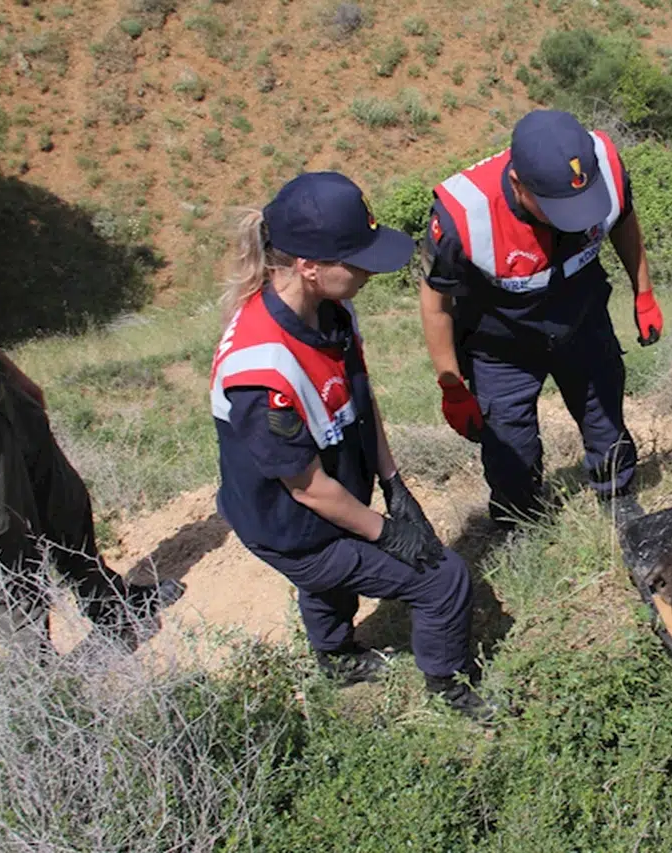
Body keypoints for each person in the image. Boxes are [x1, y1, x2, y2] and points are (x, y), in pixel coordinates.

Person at [209, 171, 495, 721]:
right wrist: (386, 532)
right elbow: (308, 489)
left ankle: (336, 658)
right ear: (308, 266)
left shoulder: (331, 311)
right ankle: (449, 686)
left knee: (332, 586)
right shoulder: (260, 371)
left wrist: (393, 482)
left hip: (329, 498)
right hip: (291, 528)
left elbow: (359, 401)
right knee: (442, 579)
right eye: (357, 261)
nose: (369, 272)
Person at [0, 238, 181, 654]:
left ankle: (112, 607)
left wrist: (10, 372)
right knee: (11, 566)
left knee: (66, 506)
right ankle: (39, 680)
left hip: (1, 400)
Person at [418, 109, 665, 531]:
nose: (576, 216)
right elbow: (435, 303)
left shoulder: (603, 164)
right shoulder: (463, 217)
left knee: (604, 418)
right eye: (558, 207)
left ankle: (617, 495)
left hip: (583, 319)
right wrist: (452, 385)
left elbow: (624, 220)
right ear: (518, 184)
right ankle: (522, 521)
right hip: (501, 345)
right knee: (510, 446)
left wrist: (643, 292)